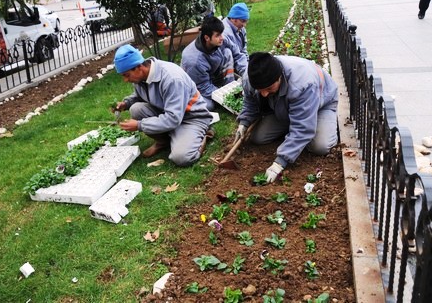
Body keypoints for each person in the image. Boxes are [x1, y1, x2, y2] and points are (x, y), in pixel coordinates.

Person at [235, 52, 338, 183]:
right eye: (260, 90)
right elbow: (250, 102)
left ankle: (324, 123)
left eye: (268, 88)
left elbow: (302, 129)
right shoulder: (251, 77)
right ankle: (292, 128)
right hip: (284, 106)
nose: (265, 94)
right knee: (258, 137)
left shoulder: (303, 83)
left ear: (279, 77)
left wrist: (280, 162)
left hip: (321, 104)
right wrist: (244, 122)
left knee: (320, 146)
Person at [113, 44, 213, 167]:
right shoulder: (141, 77)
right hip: (169, 113)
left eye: (126, 75)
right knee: (136, 109)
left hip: (191, 117)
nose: (126, 80)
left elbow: (173, 119)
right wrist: (126, 103)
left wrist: (140, 125)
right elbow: (140, 95)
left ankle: (202, 135)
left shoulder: (171, 78)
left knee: (182, 157)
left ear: (138, 67)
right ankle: (164, 141)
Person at [181, 16, 247, 110]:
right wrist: (225, 95)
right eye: (218, 35)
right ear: (207, 38)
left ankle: (230, 85)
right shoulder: (194, 61)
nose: (222, 38)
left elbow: (238, 55)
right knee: (209, 105)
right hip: (196, 85)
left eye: (221, 34)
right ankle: (185, 103)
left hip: (214, 74)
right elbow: (203, 87)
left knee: (228, 52)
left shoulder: (221, 40)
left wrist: (246, 74)